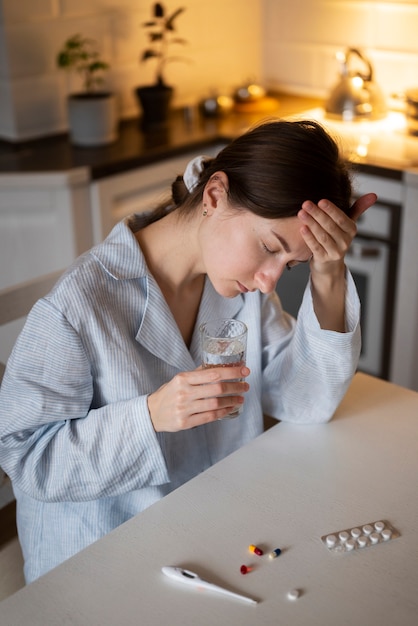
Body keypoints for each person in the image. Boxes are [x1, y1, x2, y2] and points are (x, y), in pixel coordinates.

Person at [0, 119, 376, 583]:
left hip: (208, 535)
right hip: (98, 567)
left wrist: (328, 273)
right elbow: (28, 460)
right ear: (214, 196)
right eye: (268, 248)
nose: (269, 280)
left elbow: (305, 400)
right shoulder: (78, 306)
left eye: (292, 263)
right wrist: (150, 416)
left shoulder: (238, 289)